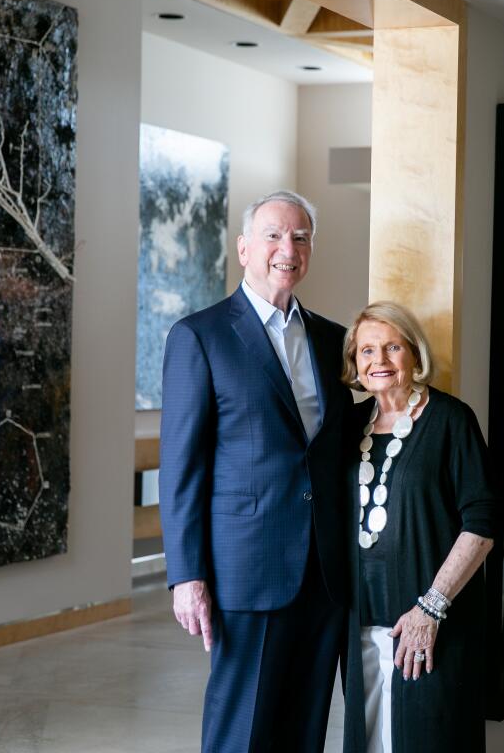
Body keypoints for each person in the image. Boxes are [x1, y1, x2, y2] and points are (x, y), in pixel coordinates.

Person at [159, 190, 354, 752]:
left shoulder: (332, 339)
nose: (286, 248)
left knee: (305, 727)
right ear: (244, 248)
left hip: (324, 570)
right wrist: (187, 575)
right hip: (245, 570)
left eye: (299, 237)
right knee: (241, 730)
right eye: (272, 235)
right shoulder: (200, 336)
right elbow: (182, 466)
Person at [340, 301, 498, 753]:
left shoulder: (451, 420)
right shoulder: (350, 425)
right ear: (355, 363)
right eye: (366, 351)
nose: (380, 361)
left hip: (433, 625)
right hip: (362, 628)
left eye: (392, 347)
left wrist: (431, 607)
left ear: (414, 352)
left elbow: (482, 523)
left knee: (431, 739)